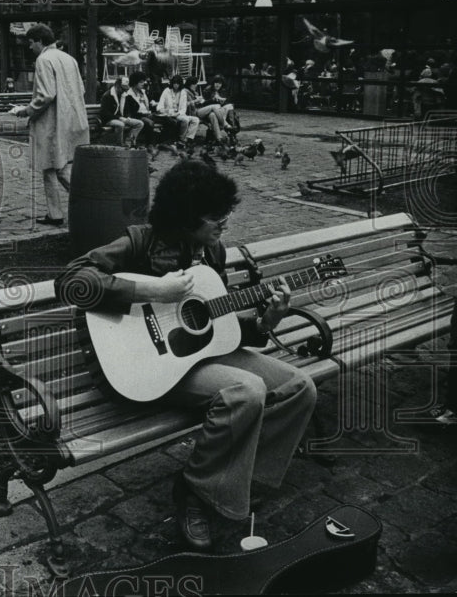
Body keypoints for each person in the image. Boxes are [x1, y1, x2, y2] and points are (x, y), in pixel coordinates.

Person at [55, 160, 317, 550]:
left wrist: (265, 322)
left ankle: (244, 483)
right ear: (185, 216)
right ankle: (196, 492)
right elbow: (72, 281)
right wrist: (153, 292)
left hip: (196, 358)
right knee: (246, 391)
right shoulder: (139, 241)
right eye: (215, 216)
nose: (223, 223)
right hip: (146, 367)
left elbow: (217, 328)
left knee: (300, 386)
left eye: (225, 214)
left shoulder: (212, 254)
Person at [11, 24, 89, 227]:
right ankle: (87, 201)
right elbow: (80, 89)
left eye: (30, 43)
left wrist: (26, 110)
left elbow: (46, 94)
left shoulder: (44, 59)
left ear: (38, 40)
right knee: (60, 166)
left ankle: (57, 213)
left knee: (49, 167)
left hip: (51, 121)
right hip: (71, 119)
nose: (30, 48)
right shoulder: (69, 58)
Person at [157, 74, 202, 148]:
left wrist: (177, 113)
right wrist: (167, 111)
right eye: (174, 83)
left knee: (196, 119)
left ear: (180, 84)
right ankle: (181, 139)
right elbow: (160, 106)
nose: (176, 85)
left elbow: (183, 108)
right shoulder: (167, 91)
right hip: (168, 114)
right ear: (172, 83)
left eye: (178, 83)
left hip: (179, 114)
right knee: (185, 120)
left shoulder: (183, 92)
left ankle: (188, 139)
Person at [99, 77, 145, 147]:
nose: (124, 91)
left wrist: (127, 117)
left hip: (121, 118)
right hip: (109, 119)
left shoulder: (123, 95)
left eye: (126, 89)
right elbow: (104, 113)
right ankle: (119, 144)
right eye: (123, 88)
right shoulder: (107, 96)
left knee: (140, 123)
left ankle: (129, 141)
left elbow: (127, 110)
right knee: (120, 124)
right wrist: (119, 117)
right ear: (117, 86)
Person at [122, 70, 159, 147]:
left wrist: (154, 104)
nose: (143, 83)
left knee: (167, 119)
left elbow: (148, 105)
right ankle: (150, 145)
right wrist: (144, 116)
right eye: (141, 82)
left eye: (144, 81)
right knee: (149, 123)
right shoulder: (129, 95)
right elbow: (131, 113)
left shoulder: (142, 93)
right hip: (137, 117)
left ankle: (164, 142)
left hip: (147, 114)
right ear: (135, 83)